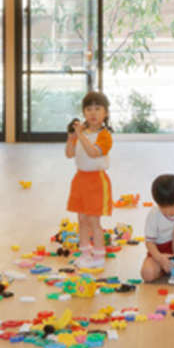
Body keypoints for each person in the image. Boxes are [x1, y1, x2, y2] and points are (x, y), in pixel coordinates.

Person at [65, 91, 113, 269]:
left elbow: (93, 153)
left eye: (98, 109)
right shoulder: (82, 133)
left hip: (96, 181)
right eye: (89, 109)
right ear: (84, 112)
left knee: (94, 221)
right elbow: (69, 154)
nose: (93, 113)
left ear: (105, 113)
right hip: (80, 179)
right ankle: (85, 253)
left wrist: (81, 135)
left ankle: (99, 256)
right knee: (82, 219)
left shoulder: (105, 135)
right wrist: (71, 137)